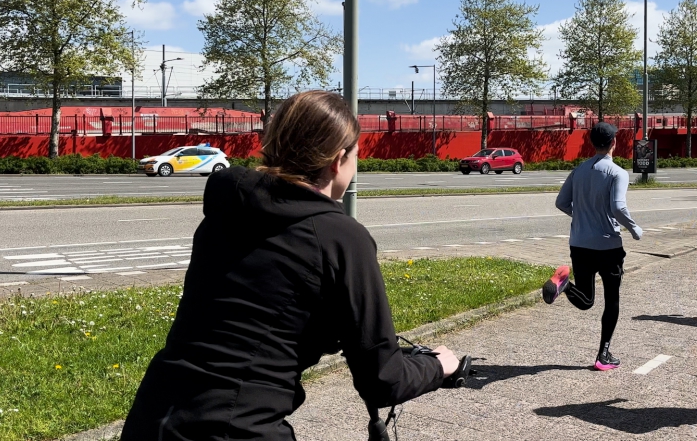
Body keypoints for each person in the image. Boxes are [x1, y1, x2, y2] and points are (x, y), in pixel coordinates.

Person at [120, 91, 459, 441]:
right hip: (237, 428)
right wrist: (438, 365)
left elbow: (253, 314)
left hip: (153, 416)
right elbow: (384, 381)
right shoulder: (340, 236)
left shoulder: (226, 212)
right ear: (338, 159)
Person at [543, 122, 642, 371]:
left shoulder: (578, 171)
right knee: (612, 300)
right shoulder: (618, 173)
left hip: (580, 244)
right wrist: (633, 228)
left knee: (586, 299)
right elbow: (618, 207)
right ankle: (603, 355)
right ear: (614, 143)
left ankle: (564, 284)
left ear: (592, 143)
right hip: (608, 246)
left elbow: (561, 202)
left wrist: (580, 215)